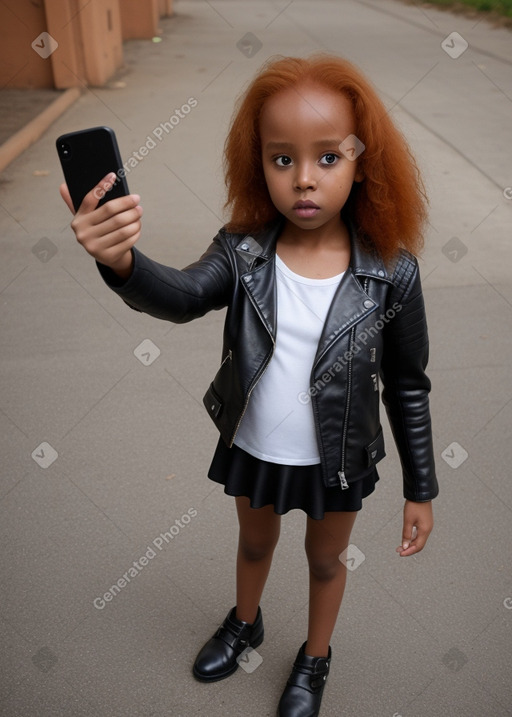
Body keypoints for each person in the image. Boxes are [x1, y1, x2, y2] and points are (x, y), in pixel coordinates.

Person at [60, 54, 439, 717]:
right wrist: (121, 260)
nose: (304, 179)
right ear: (258, 163)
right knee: (255, 541)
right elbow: (180, 296)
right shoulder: (242, 250)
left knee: (326, 561)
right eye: (281, 158)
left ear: (362, 160)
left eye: (328, 157)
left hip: (338, 459)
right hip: (256, 444)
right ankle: (246, 621)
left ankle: (315, 657)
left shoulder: (392, 273)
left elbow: (408, 384)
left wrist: (421, 487)